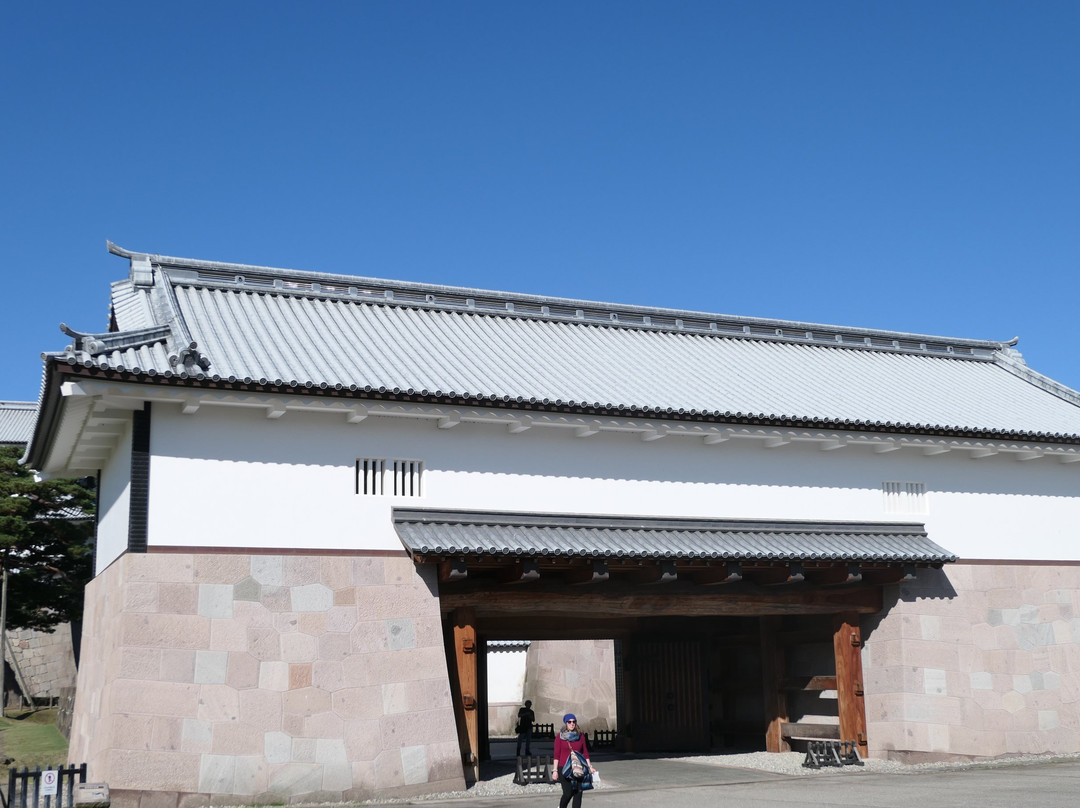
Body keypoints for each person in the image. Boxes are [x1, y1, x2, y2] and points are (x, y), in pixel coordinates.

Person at [551, 713, 596, 808]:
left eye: (574, 721)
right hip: (564, 768)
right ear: (566, 723)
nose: (572, 724)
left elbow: (585, 753)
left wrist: (590, 766)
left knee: (578, 793)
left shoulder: (581, 736)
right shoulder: (560, 737)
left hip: (578, 768)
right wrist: (555, 771)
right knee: (568, 793)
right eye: (569, 722)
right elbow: (556, 755)